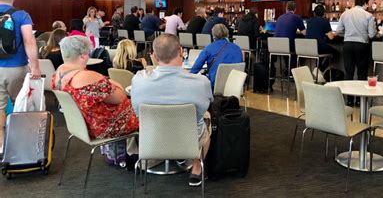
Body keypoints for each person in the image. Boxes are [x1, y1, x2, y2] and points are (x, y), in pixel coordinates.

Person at [131, 34, 213, 187]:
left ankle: (171, 154)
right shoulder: (201, 82)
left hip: (152, 138)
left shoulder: (138, 80)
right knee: (206, 116)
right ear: (181, 51)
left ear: (154, 56)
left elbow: (135, 109)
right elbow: (206, 106)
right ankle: (196, 167)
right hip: (189, 137)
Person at [52, 36, 139, 139]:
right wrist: (110, 81)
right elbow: (120, 97)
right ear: (83, 56)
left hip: (82, 126)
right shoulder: (87, 76)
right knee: (148, 115)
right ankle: (141, 152)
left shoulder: (57, 74)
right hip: (106, 127)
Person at [0, 0, 41, 154]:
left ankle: (2, 146)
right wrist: (35, 67)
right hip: (17, 68)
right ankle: (25, 144)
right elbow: (29, 41)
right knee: (23, 104)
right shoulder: (21, 15)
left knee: (0, 108)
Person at [335, 0, 376, 106]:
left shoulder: (345, 13)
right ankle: (359, 100)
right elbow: (372, 34)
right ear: (366, 3)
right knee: (361, 74)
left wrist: (348, 33)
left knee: (349, 73)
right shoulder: (368, 16)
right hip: (362, 45)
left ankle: (349, 99)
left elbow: (338, 31)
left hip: (347, 44)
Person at [190, 24, 243, 88]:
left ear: (213, 36)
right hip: (235, 85)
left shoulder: (209, 48)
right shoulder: (237, 48)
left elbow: (195, 69)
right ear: (227, 33)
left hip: (215, 85)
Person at [274, 1, 306, 74]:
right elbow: (304, 32)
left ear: (286, 9)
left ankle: (287, 70)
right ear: (295, 9)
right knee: (297, 49)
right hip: (287, 45)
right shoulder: (297, 17)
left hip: (276, 46)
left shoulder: (280, 17)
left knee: (288, 47)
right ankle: (294, 72)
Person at [305, 4, 337, 69]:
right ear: (324, 14)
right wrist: (336, 33)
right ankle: (322, 68)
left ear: (314, 13)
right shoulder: (325, 21)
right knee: (335, 53)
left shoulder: (309, 21)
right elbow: (331, 37)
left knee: (321, 48)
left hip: (308, 47)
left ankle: (318, 68)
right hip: (319, 47)